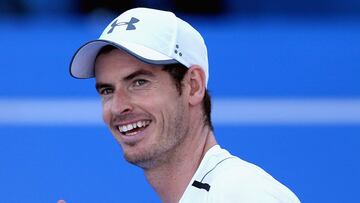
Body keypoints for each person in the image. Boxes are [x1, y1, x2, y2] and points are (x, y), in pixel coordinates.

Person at [69, 7, 300, 203]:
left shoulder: (247, 195)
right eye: (107, 90)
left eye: (139, 82)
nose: (118, 107)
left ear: (193, 86)